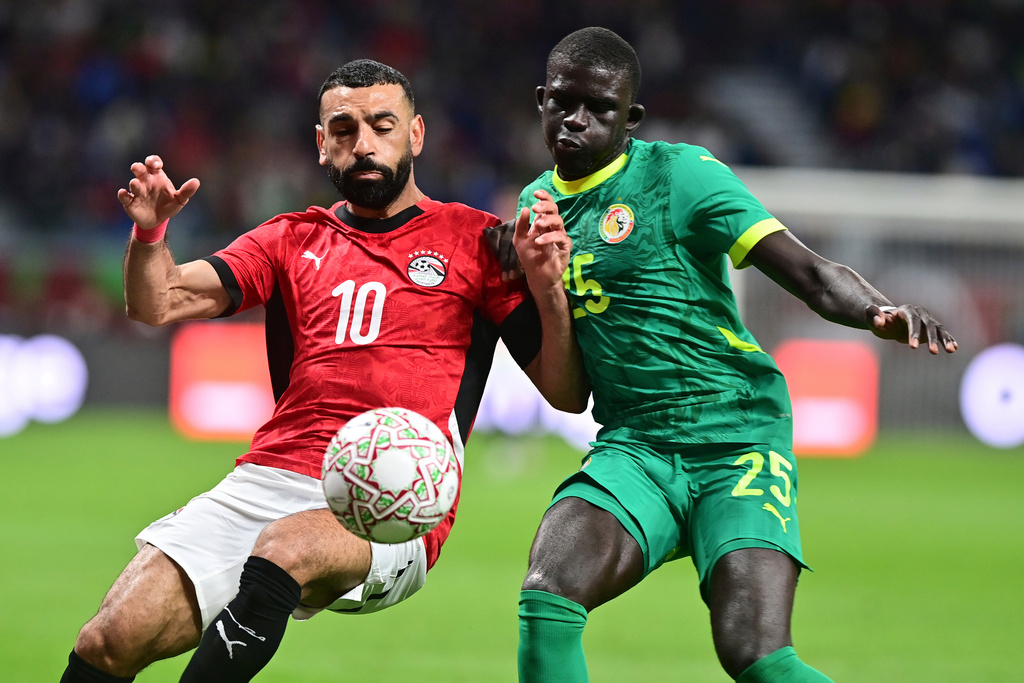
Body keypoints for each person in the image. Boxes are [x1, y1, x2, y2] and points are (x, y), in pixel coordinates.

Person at [60, 59, 587, 683]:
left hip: (394, 497)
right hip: (268, 477)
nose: (362, 143)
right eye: (343, 129)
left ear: (415, 135)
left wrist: (549, 287)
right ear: (321, 145)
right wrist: (151, 235)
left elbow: (566, 390)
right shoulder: (290, 238)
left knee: (287, 549)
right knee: (108, 640)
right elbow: (158, 302)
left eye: (381, 126)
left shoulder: (478, 241)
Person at [509, 27, 958, 683]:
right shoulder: (535, 209)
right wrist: (547, 287)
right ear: (542, 99)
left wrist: (876, 311)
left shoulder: (679, 176)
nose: (577, 119)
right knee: (548, 591)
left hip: (738, 436)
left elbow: (810, 272)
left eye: (600, 107)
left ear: (630, 117)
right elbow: (570, 393)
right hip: (636, 444)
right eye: (564, 102)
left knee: (754, 653)